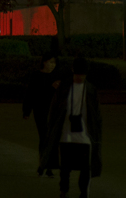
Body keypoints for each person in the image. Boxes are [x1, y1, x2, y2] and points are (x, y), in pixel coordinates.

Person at [42, 57, 102, 198]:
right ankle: (64, 189)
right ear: (73, 72)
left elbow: (97, 115)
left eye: (82, 74)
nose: (80, 77)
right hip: (66, 133)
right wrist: (51, 128)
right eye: (78, 74)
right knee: (65, 167)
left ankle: (83, 192)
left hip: (85, 134)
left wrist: (97, 134)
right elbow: (54, 109)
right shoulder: (64, 87)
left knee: (85, 168)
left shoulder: (91, 90)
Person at [23, 53, 61, 177]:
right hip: (40, 110)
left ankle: (49, 166)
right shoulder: (36, 76)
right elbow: (31, 94)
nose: (52, 65)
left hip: (53, 111)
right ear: (44, 62)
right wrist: (26, 111)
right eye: (50, 62)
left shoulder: (56, 76)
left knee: (53, 138)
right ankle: (43, 164)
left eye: (54, 63)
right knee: (44, 137)